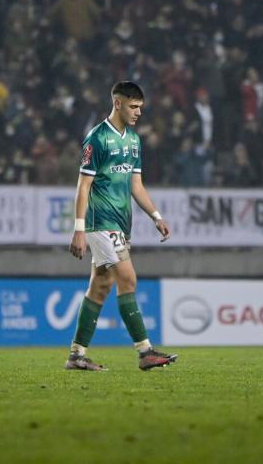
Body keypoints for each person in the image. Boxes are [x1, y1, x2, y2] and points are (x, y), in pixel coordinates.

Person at [67, 81, 178, 371]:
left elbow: (136, 185)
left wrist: (155, 216)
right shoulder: (97, 138)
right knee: (128, 279)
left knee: (101, 285)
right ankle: (145, 351)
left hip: (120, 223)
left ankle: (76, 356)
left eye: (140, 107)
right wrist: (78, 229)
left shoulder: (133, 141)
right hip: (100, 221)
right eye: (133, 106)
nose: (138, 112)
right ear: (117, 103)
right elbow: (83, 186)